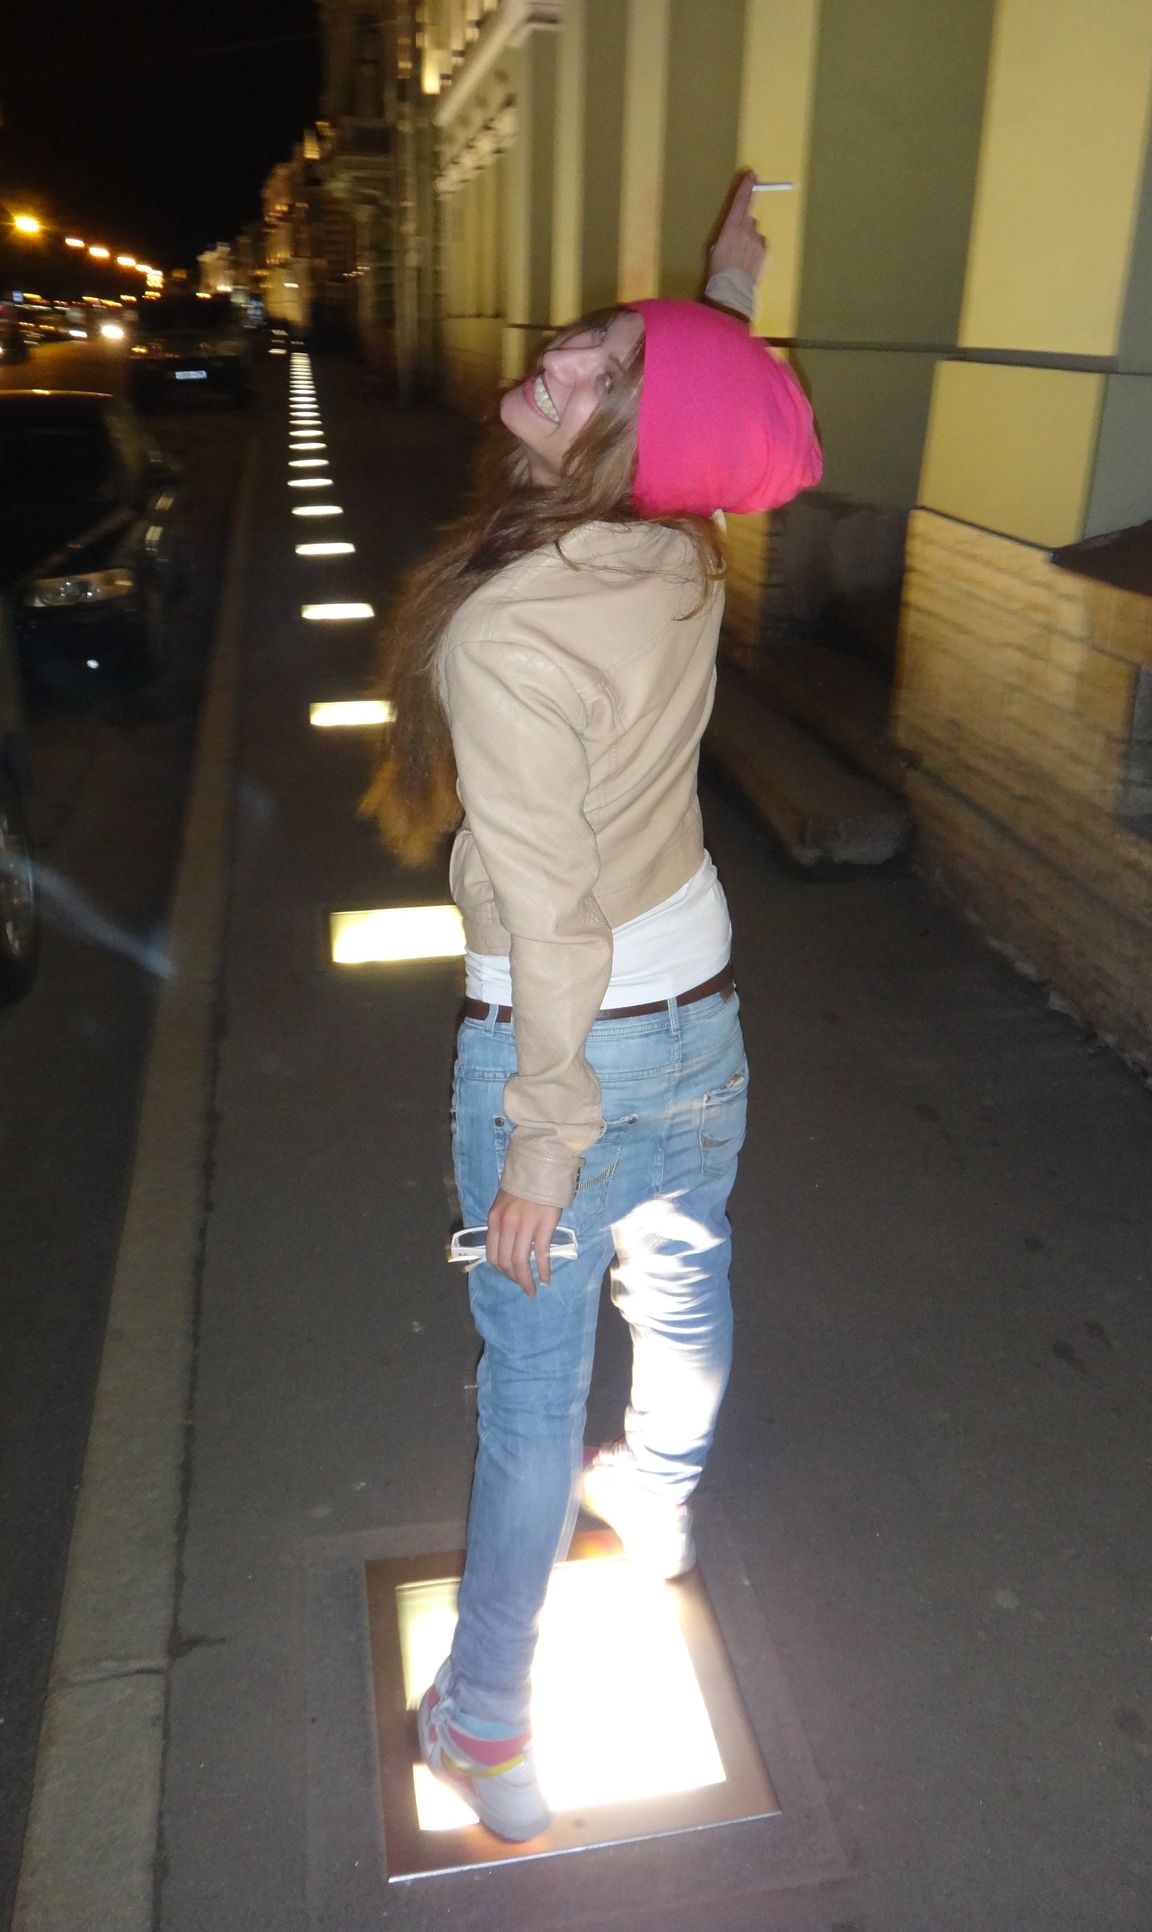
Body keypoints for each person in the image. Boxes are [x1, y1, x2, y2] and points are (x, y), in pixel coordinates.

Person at [362, 173, 822, 1842]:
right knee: (686, 1276)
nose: (557, 357)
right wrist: (726, 293)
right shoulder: (682, 551)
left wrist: (545, 1145)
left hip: (568, 1047)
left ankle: (487, 1720)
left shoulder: (508, 632)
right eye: (584, 344)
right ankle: (666, 1509)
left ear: (635, 441)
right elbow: (703, 432)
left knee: (530, 1398)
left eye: (599, 370)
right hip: (702, 1021)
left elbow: (549, 917)